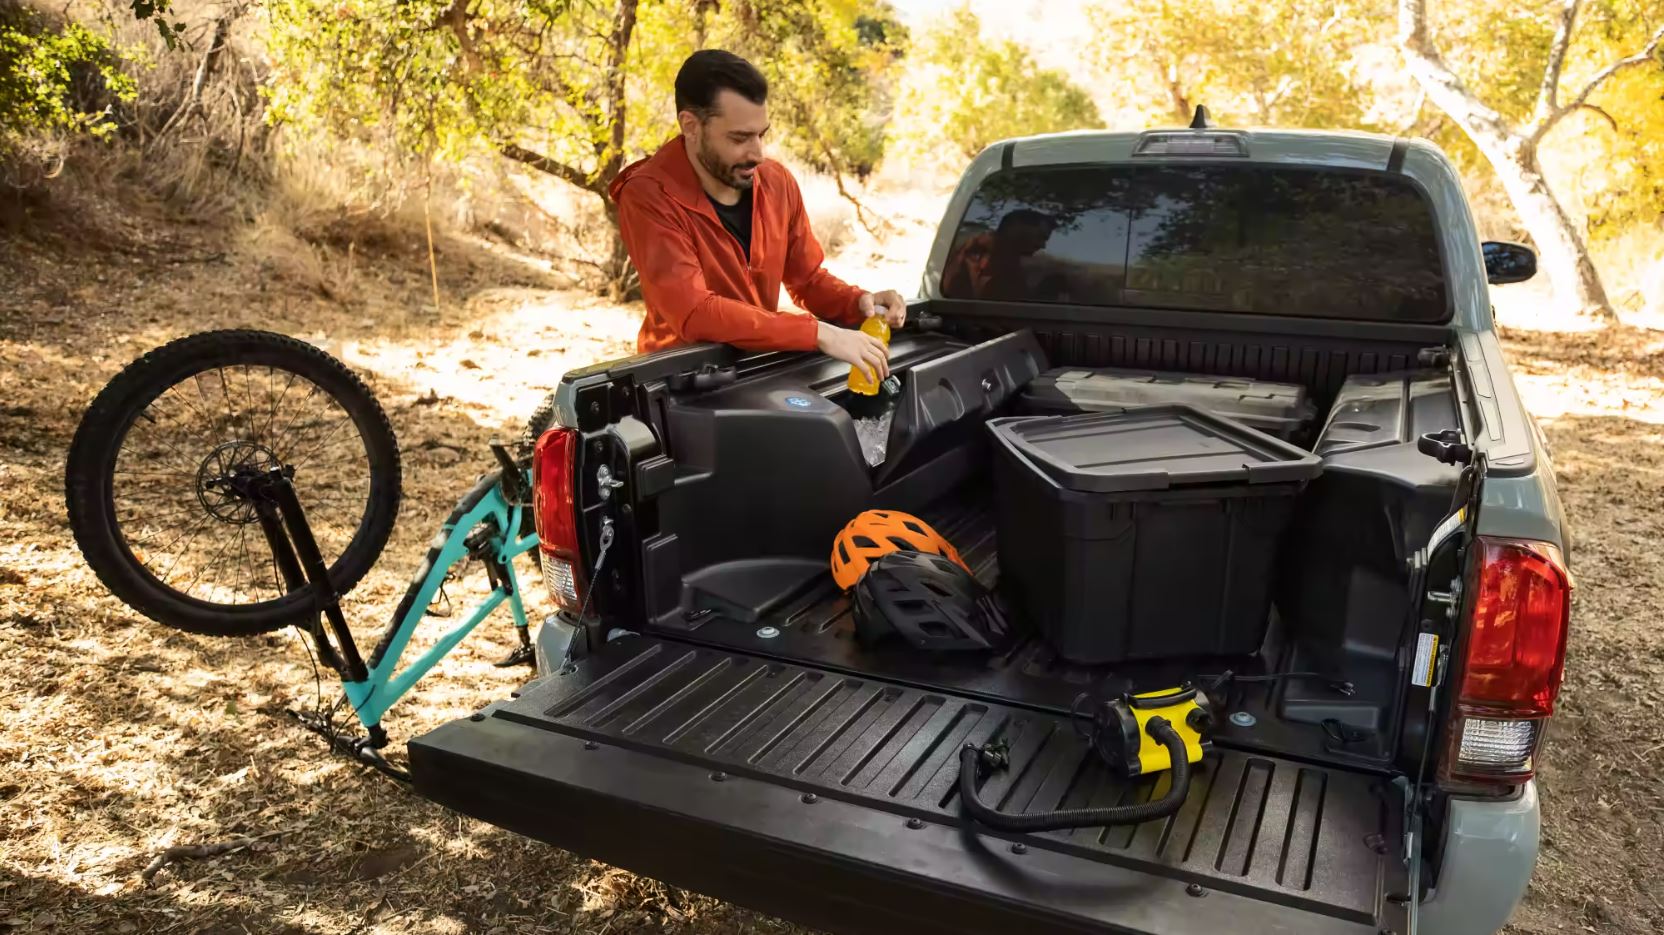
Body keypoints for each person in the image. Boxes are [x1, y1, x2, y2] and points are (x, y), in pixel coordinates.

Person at [610, 50, 906, 381]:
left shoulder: (778, 182)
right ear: (691, 126)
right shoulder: (649, 194)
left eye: (761, 134)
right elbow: (695, 312)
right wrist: (819, 333)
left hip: (756, 369)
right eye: (739, 138)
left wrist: (858, 301)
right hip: (680, 384)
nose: (757, 153)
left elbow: (807, 279)